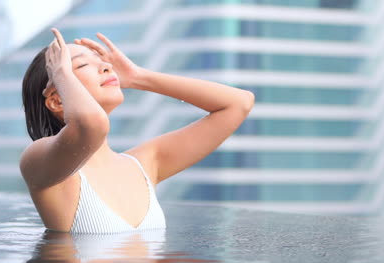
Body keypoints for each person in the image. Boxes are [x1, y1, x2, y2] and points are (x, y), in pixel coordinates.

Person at [20, 28, 255, 234]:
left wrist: (137, 77)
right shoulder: (39, 161)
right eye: (82, 64)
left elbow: (238, 103)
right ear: (57, 100)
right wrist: (61, 74)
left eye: (101, 60)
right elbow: (91, 125)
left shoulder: (145, 163)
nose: (106, 66)